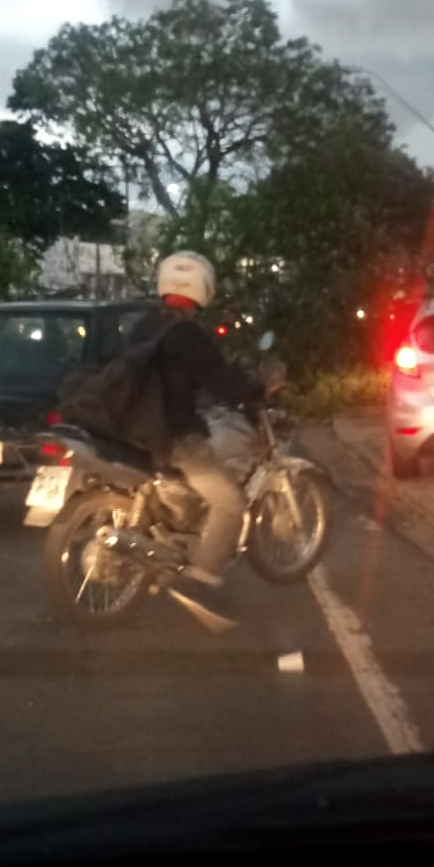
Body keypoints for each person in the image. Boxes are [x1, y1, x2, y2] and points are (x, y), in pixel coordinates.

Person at [130, 252, 281, 620]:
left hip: (132, 430)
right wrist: (261, 389)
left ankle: (171, 535)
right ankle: (201, 580)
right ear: (203, 288)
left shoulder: (142, 325)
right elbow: (227, 383)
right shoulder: (189, 335)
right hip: (173, 438)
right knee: (230, 502)